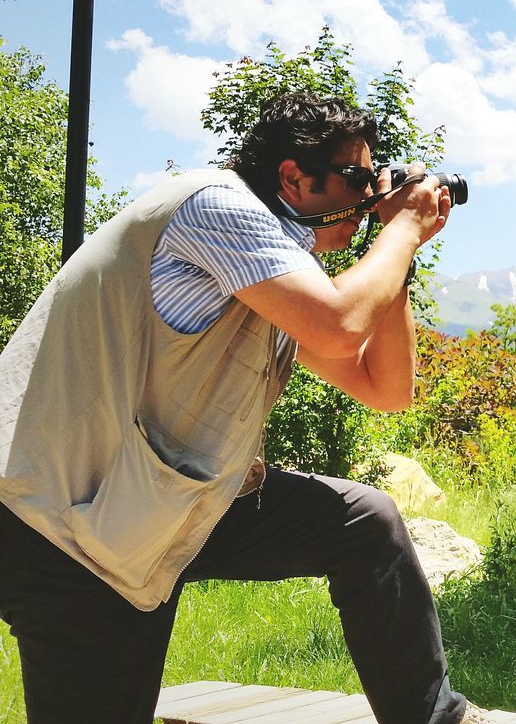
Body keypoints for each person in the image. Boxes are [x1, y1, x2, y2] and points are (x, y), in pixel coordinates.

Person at [0, 93, 481, 724]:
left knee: (364, 523)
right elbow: (339, 327)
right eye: (354, 178)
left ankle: (434, 718)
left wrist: (399, 252)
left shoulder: (272, 271)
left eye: (372, 181)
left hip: (155, 503)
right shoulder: (216, 207)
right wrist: (401, 228)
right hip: (61, 519)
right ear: (291, 176)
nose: (366, 196)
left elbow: (383, 388)